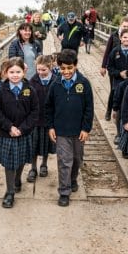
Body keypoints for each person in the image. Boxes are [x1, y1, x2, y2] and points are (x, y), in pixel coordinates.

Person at [46, 49, 94, 207]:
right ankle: (64, 191)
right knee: (64, 161)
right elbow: (49, 108)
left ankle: (73, 179)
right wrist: (51, 127)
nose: (66, 72)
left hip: (78, 130)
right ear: (58, 67)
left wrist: (86, 129)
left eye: (69, 68)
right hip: (61, 131)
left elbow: (89, 108)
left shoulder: (84, 84)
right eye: (62, 68)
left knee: (76, 159)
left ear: (76, 66)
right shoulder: (55, 84)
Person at [0, 57, 39, 208]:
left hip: (24, 132)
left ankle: (18, 179)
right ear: (5, 73)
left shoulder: (30, 90)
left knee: (20, 159)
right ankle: (10, 191)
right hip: (8, 133)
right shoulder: (0, 91)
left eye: (18, 72)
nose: (15, 75)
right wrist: (9, 127)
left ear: (24, 72)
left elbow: (34, 111)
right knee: (9, 163)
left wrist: (23, 128)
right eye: (11, 72)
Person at [100, 15, 128, 121]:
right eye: (124, 26)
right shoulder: (114, 35)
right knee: (114, 90)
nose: (126, 28)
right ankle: (110, 110)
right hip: (116, 67)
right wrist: (103, 66)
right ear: (120, 25)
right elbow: (107, 51)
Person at [27, 55, 56, 182]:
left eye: (43, 70)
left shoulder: (56, 81)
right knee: (34, 145)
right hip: (35, 120)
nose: (40, 72)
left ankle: (44, 164)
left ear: (50, 68)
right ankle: (33, 168)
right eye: (38, 70)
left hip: (49, 120)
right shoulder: (32, 81)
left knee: (46, 144)